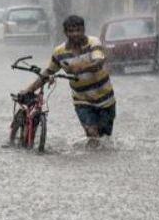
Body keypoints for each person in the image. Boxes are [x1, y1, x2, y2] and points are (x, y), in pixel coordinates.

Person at [22, 14, 115, 149]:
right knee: (92, 135)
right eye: (71, 31)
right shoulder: (59, 52)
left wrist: (82, 67)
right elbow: (48, 72)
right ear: (65, 32)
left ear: (83, 30)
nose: (75, 34)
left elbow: (99, 61)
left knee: (105, 138)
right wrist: (30, 89)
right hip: (82, 101)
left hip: (106, 99)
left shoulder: (93, 43)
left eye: (78, 30)